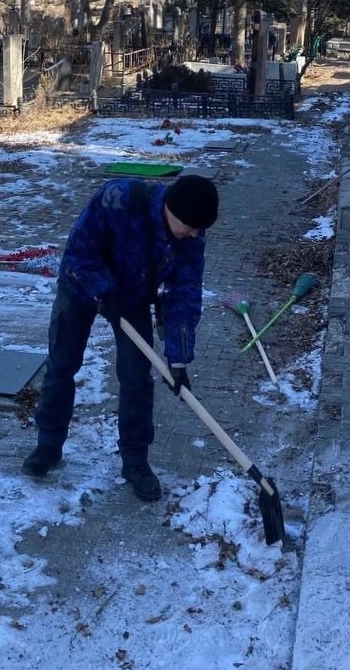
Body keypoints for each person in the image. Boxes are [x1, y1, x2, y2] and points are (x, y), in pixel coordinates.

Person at [22, 173, 220, 501]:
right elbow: (79, 253)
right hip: (80, 284)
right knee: (62, 364)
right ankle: (48, 445)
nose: (193, 234)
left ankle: (135, 461)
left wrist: (178, 358)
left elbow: (184, 296)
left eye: (199, 230)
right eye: (189, 226)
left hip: (133, 296)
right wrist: (104, 291)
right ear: (170, 208)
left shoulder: (190, 237)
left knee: (136, 376)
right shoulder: (118, 199)